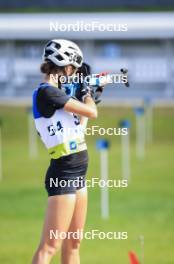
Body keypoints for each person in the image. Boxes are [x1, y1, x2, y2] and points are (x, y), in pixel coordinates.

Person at [31, 39, 102, 264]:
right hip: (63, 174)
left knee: (74, 244)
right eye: (73, 69)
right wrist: (88, 92)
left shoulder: (60, 96)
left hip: (78, 173)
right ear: (66, 66)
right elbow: (92, 112)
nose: (73, 74)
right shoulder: (48, 93)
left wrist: (88, 97)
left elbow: (81, 127)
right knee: (50, 246)